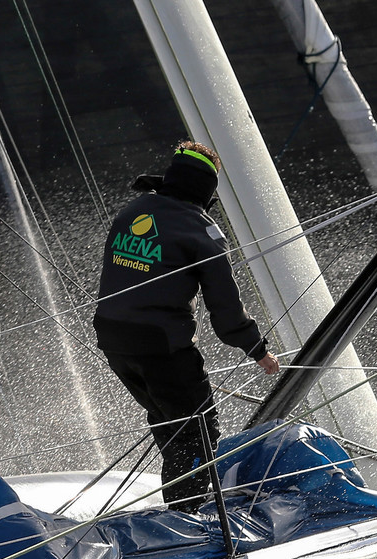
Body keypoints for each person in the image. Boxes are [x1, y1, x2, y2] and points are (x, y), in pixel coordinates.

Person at [94, 141, 280, 511]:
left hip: (113, 340)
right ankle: (188, 519)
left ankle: (181, 509)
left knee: (169, 426)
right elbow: (225, 313)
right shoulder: (202, 231)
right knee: (197, 436)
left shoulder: (133, 211)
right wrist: (258, 350)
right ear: (207, 192)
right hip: (161, 347)